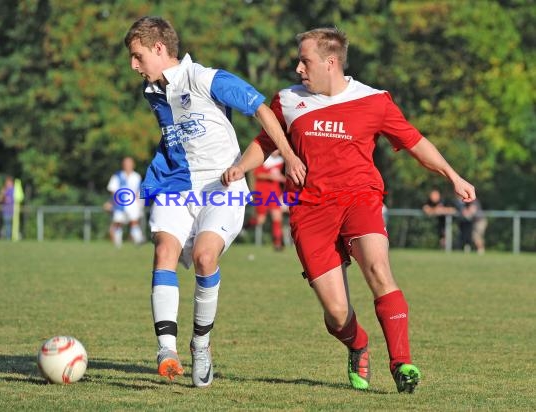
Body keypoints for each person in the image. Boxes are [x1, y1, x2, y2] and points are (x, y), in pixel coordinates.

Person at [222, 27, 476, 393]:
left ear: (331, 62)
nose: (298, 69)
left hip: (361, 198)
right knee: (338, 313)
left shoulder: (375, 101)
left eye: (305, 60)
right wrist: (240, 168)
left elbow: (415, 141)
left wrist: (452, 174)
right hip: (310, 210)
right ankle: (357, 344)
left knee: (377, 268)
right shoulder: (288, 101)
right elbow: (265, 143)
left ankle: (402, 363)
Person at [123, 17, 305, 388]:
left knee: (206, 258)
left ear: (159, 49)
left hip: (222, 186)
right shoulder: (152, 92)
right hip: (175, 186)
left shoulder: (207, 79)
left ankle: (201, 346)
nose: (133, 66)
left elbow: (262, 110)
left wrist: (287, 154)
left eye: (137, 56)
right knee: (163, 253)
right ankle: (167, 351)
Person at [251, 150, 286, 250]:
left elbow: (279, 176)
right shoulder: (263, 160)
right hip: (262, 193)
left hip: (274, 193)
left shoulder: (281, 161)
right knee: (260, 220)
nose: (276, 151)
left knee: (277, 218)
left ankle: (277, 244)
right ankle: (246, 226)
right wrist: (270, 176)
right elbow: (257, 174)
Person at [107, 156, 145, 247]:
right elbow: (112, 189)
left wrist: (140, 202)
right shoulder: (117, 176)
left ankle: (138, 240)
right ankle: (118, 243)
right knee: (118, 222)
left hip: (133, 203)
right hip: (120, 203)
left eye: (129, 163)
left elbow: (139, 190)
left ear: (133, 165)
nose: (127, 165)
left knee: (134, 221)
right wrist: (112, 201)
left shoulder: (136, 176)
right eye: (126, 163)